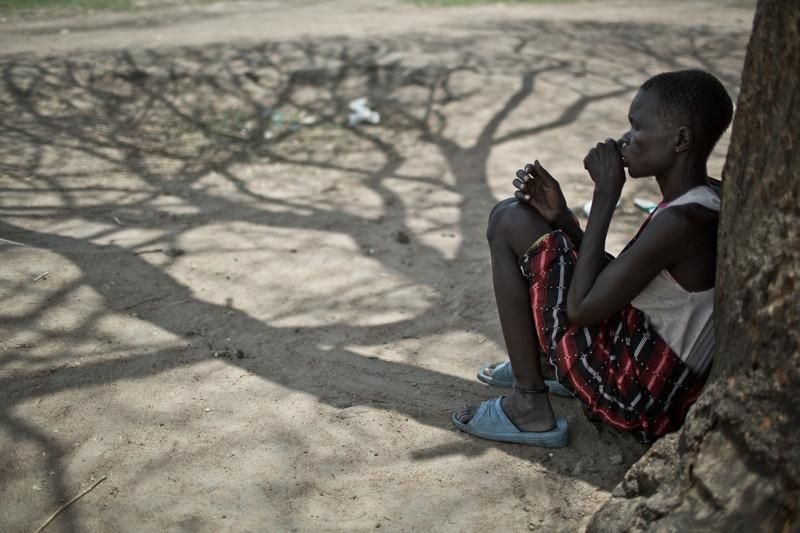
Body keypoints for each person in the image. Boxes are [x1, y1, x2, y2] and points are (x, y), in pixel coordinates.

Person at [452, 69, 734, 447]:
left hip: (637, 394)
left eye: (638, 128)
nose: (625, 139)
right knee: (520, 216)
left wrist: (605, 197)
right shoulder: (702, 198)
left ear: (681, 139)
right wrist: (562, 218)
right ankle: (546, 365)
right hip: (641, 355)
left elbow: (581, 309)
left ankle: (528, 405)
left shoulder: (682, 221)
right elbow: (619, 279)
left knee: (509, 220)